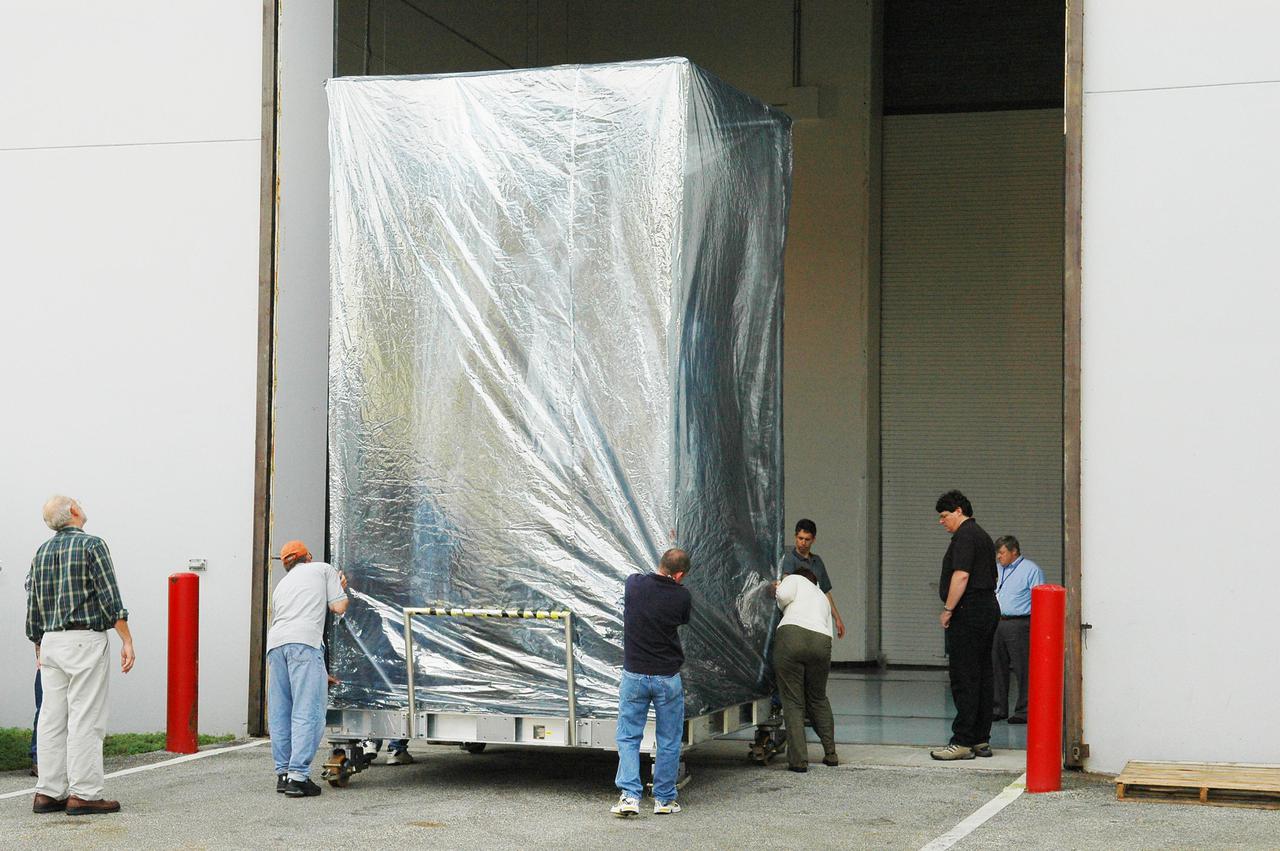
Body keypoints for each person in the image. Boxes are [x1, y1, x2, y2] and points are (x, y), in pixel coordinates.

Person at [26, 495, 135, 815]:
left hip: (50, 642)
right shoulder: (93, 546)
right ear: (73, 511)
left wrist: (38, 645)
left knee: (51, 718)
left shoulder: (41, 552)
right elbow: (110, 597)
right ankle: (85, 793)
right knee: (86, 717)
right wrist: (126, 639)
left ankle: (49, 791)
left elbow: (33, 605)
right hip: (84, 640)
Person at [611, 548, 693, 818]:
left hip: (634, 674)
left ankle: (629, 797)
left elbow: (645, 576)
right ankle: (664, 799)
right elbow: (681, 619)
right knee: (669, 739)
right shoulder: (681, 596)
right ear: (679, 575)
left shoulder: (634, 584)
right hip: (667, 677)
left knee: (629, 736)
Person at [267, 540, 349, 797]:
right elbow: (339, 607)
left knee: (281, 711)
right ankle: (298, 776)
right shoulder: (323, 570)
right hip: (305, 644)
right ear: (309, 557)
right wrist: (339, 587)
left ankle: (283, 774)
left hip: (276, 646)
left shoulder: (281, 586)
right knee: (308, 711)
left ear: (286, 565)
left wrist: (320, 673)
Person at [930, 490, 1000, 761]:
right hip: (987, 608)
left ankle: (962, 741)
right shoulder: (981, 535)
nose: (941, 521)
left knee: (964, 676)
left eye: (944, 516)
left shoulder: (964, 537)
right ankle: (981, 738)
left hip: (968, 610)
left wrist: (948, 609)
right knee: (983, 674)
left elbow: (961, 575)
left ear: (959, 511)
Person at [771, 567, 839, 773]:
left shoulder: (795, 579)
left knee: (793, 701)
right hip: (821, 642)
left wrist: (779, 591)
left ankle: (799, 761)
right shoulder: (822, 597)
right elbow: (830, 632)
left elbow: (782, 595)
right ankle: (831, 754)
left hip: (792, 635)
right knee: (818, 698)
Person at [991, 535, 1045, 725]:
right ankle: (998, 708)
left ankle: (1024, 710)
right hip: (997, 621)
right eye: (997, 553)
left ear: (1014, 551)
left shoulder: (1031, 570)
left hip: (1019, 623)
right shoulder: (997, 569)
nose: (999, 557)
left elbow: (1039, 600)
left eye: (1002, 553)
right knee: (996, 665)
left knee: (1022, 668)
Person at [781, 520, 846, 639]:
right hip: (796, 618)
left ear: (813, 540)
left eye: (807, 539)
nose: (803, 543)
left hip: (816, 619)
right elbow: (785, 586)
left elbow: (826, 592)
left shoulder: (817, 561)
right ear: (795, 537)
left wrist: (837, 619)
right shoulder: (789, 558)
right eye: (800, 538)